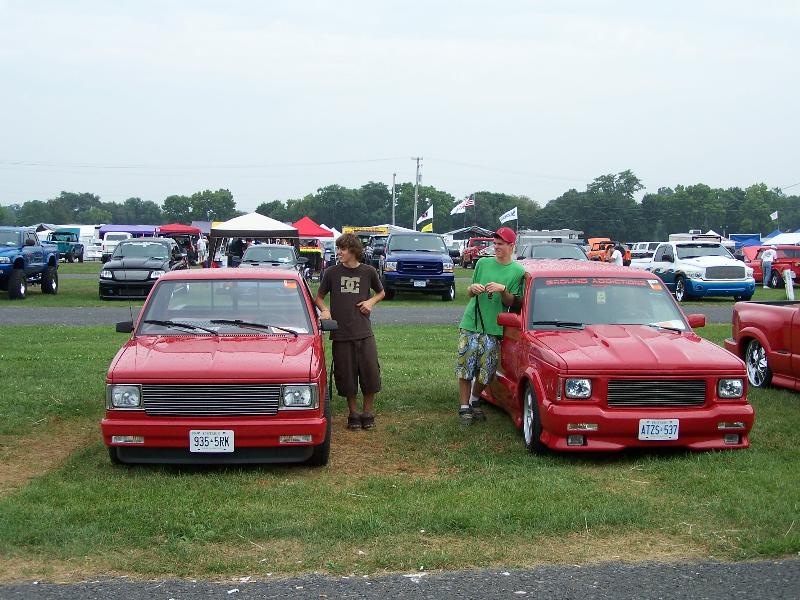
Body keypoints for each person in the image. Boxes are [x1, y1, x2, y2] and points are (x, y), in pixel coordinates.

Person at [315, 233, 385, 430]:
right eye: (338, 249)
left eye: (342, 249)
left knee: (370, 372)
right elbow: (318, 298)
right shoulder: (332, 273)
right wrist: (325, 310)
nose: (338, 252)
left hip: (364, 331)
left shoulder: (368, 271)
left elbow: (381, 292)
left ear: (353, 250)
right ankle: (353, 413)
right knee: (346, 375)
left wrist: (370, 302)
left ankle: (368, 412)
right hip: (341, 334)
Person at [456, 227, 525, 425]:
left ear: (511, 246)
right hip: (471, 323)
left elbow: (515, 304)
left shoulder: (518, 272)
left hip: (494, 328)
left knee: (487, 371)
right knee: (465, 367)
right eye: (495, 244)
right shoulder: (482, 263)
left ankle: (474, 399)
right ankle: (464, 407)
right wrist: (472, 288)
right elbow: (469, 293)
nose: (496, 247)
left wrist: (503, 290)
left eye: (500, 244)